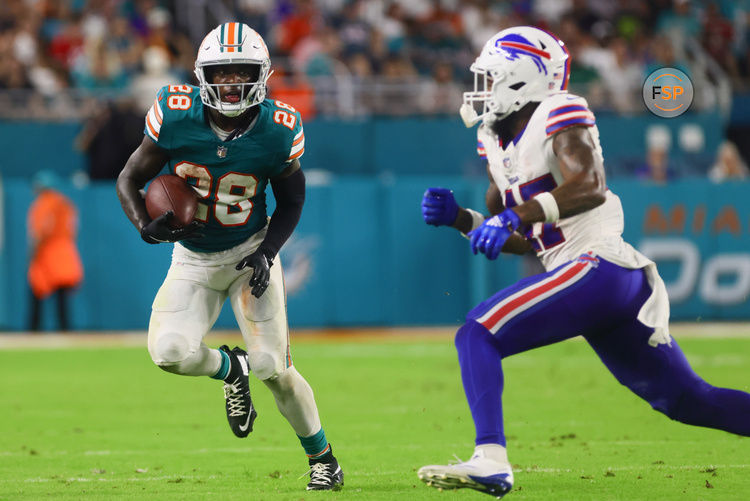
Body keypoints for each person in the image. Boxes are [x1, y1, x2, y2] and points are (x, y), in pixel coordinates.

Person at [417, 26, 750, 499]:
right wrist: (462, 220)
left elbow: (588, 185)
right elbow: (526, 240)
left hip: (601, 266)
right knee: (687, 400)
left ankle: (491, 459)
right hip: (588, 277)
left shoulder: (558, 110)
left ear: (523, 77)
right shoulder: (495, 140)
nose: (484, 88)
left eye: (493, 77)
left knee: (479, 330)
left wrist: (512, 213)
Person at [115, 23, 343, 491]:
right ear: (205, 76)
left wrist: (269, 251)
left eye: (242, 72)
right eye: (223, 73)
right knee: (169, 352)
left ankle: (324, 459)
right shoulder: (176, 114)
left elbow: (293, 199)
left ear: (260, 75)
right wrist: (144, 225)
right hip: (193, 259)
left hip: (248, 255)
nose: (232, 82)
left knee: (272, 368)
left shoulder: (278, 129)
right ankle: (229, 369)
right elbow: (128, 178)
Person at [27, 170, 83, 331]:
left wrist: (32, 255)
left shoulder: (43, 204)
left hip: (47, 253)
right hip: (66, 252)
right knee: (62, 297)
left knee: (36, 294)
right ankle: (65, 330)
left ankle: (33, 331)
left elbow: (39, 233)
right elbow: (75, 230)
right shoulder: (65, 203)